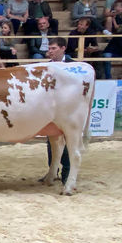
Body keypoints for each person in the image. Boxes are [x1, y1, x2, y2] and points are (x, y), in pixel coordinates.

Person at [45, 37, 72, 184]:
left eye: (53, 48)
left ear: (63, 48)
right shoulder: (46, 67)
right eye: (49, 49)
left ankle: (66, 173)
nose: (50, 51)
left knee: (67, 140)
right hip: (51, 108)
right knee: (51, 140)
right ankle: (52, 171)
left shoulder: (74, 66)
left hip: (68, 108)